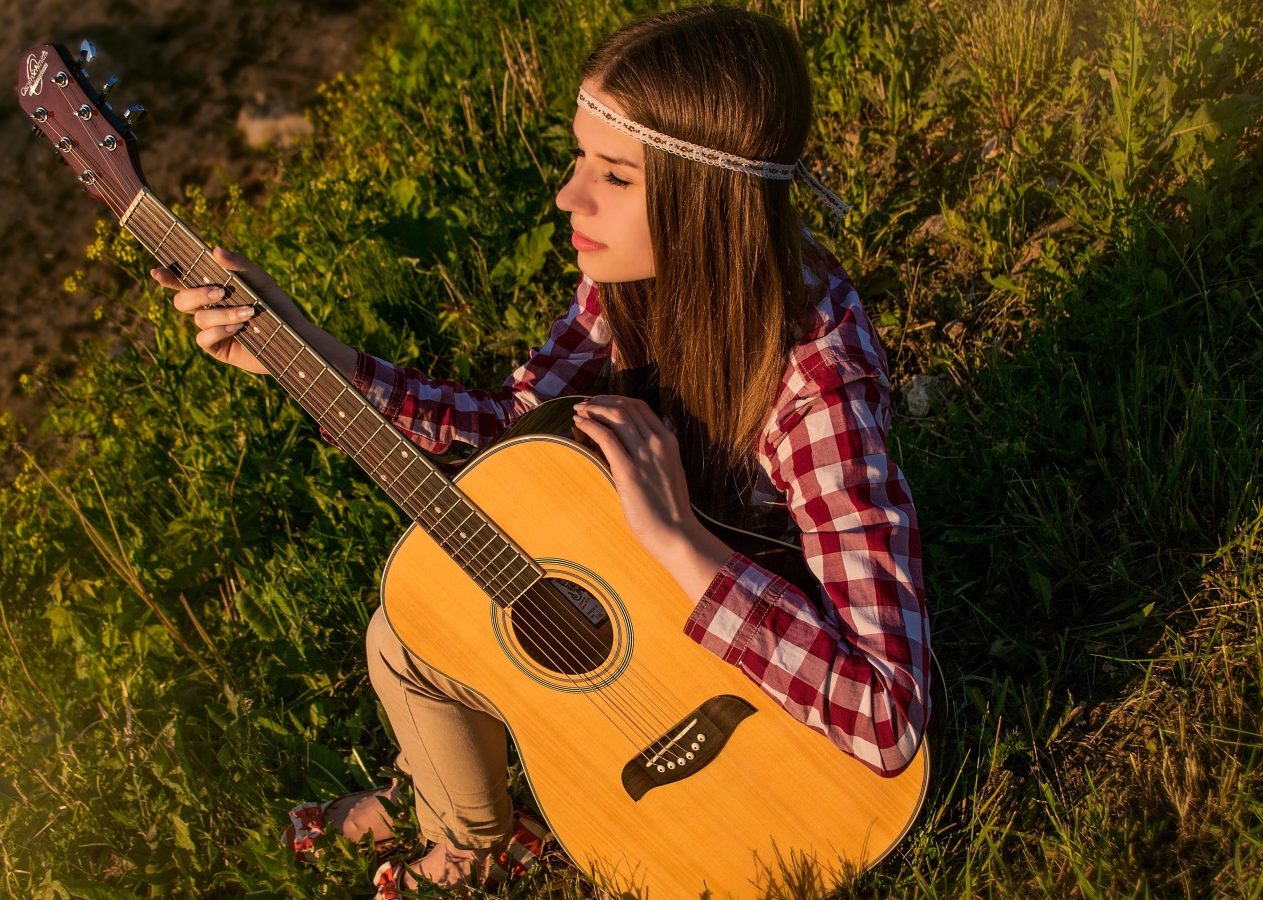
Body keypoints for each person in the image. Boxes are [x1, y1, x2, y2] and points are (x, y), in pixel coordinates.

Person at [151, 5, 929, 893]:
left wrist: (679, 538)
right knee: (406, 629)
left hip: (756, 716)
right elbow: (512, 430)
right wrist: (312, 357)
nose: (568, 196)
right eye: (578, 158)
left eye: (613, 175)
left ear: (704, 200)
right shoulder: (628, 282)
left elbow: (886, 713)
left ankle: (458, 823)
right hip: (646, 616)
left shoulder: (815, 387)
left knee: (409, 639)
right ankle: (469, 829)